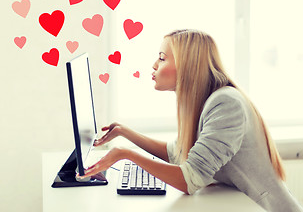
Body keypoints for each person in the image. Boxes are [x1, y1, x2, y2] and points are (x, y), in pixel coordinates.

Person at [80, 29, 303, 212]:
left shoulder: (226, 104)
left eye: (162, 58)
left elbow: (189, 180)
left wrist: (125, 154)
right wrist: (125, 133)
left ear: (187, 65)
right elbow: (176, 152)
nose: (154, 65)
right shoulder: (207, 101)